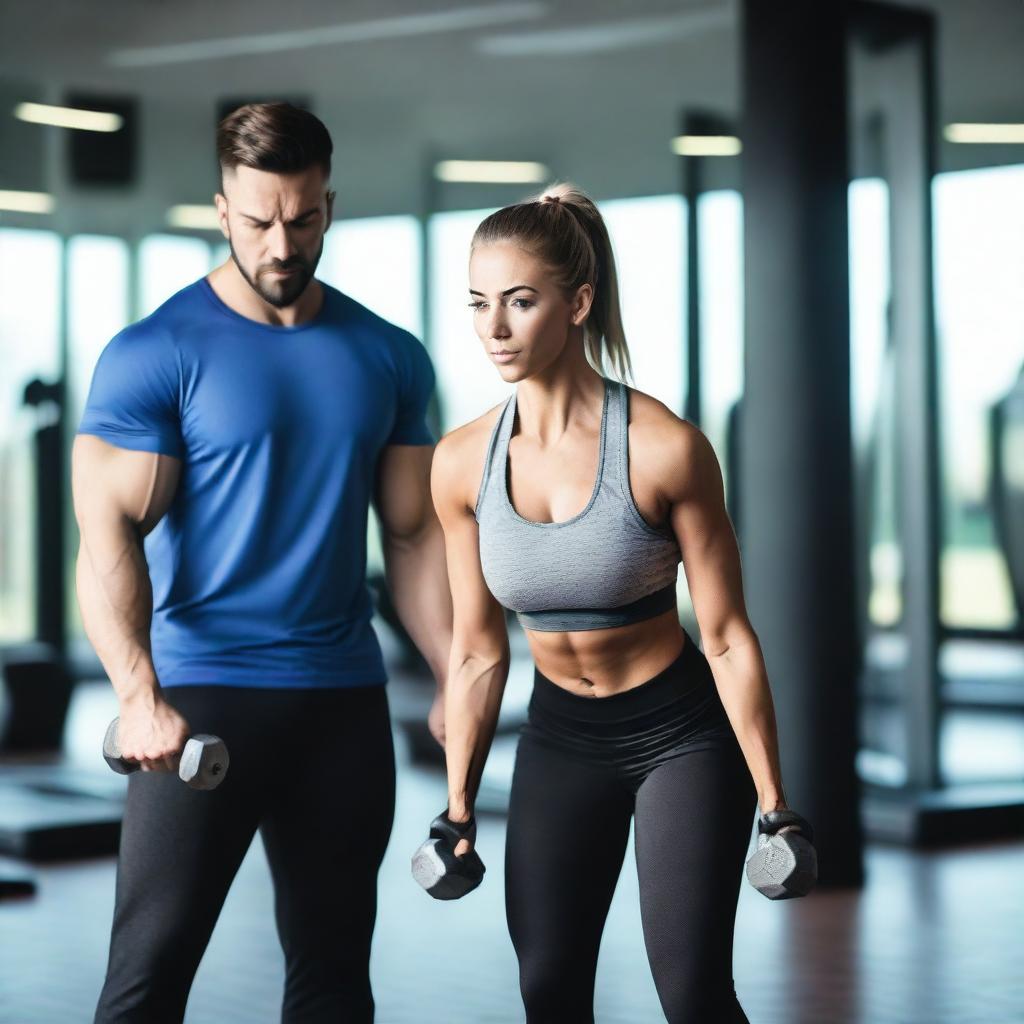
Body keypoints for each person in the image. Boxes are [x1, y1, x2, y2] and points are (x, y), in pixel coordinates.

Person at [73, 102, 452, 1024]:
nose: (283, 242)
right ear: (221, 210)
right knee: (147, 979)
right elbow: (107, 535)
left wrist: (454, 674)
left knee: (332, 981)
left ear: (330, 204)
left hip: (343, 704)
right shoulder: (155, 354)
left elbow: (409, 536)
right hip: (203, 699)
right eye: (258, 221)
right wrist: (136, 695)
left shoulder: (388, 357)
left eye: (305, 216)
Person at [429, 183, 795, 1023]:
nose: (494, 328)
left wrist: (776, 801)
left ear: (578, 302)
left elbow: (729, 637)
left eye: (520, 302)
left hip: (681, 736)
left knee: (693, 993)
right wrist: (456, 805)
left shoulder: (666, 449)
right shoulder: (459, 463)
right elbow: (479, 650)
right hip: (561, 737)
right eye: (479, 304)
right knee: (548, 988)